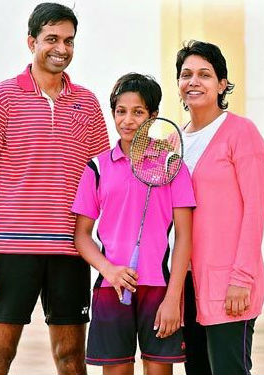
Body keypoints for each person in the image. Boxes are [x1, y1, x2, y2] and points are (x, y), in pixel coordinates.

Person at [0, 3, 109, 375]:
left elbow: (105, 180)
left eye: (69, 40)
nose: (61, 47)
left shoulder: (89, 104)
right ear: (31, 41)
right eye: (51, 38)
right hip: (10, 250)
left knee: (71, 360)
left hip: (69, 251)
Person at [72, 73, 196, 375]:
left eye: (138, 112)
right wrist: (109, 270)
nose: (127, 120)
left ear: (153, 116)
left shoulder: (172, 166)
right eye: (120, 111)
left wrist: (173, 297)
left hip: (159, 288)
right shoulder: (97, 168)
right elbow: (82, 236)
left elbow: (184, 238)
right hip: (111, 288)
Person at [176, 40, 264, 375]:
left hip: (230, 282)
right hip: (186, 283)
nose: (194, 81)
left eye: (205, 74)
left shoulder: (241, 133)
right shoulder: (175, 140)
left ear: (222, 83)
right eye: (186, 74)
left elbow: (256, 210)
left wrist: (241, 277)